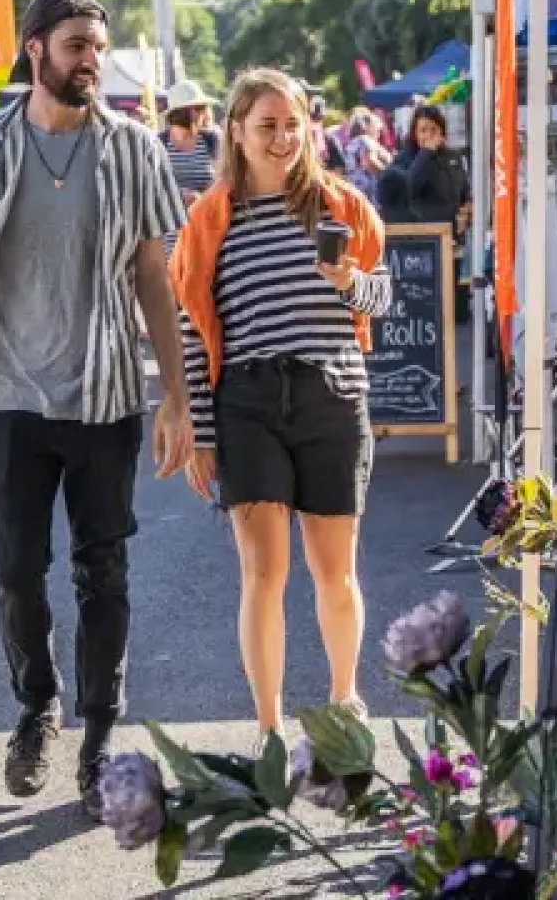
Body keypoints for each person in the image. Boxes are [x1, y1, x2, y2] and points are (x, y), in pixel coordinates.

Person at [0, 0, 194, 820]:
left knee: (102, 572)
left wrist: (176, 397)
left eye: (97, 46)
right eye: (77, 43)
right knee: (14, 569)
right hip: (9, 393)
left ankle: (97, 736)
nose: (91, 60)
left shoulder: (135, 148)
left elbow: (155, 274)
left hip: (107, 390)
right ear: (35, 48)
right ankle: (38, 703)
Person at [170, 69, 391, 738]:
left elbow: (382, 299)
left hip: (332, 394)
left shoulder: (340, 205)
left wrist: (351, 281)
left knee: (335, 570)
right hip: (248, 401)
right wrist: (200, 433)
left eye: (292, 125)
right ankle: (267, 727)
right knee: (264, 571)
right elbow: (193, 327)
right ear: (236, 130)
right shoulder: (211, 218)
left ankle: (344, 698)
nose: (282, 138)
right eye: (267, 126)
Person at [391, 105, 470, 229]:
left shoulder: (453, 156)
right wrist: (426, 152)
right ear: (415, 134)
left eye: (433, 130)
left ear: (441, 131)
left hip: (453, 233)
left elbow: (464, 191)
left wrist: (467, 208)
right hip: (423, 234)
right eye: (423, 130)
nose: (429, 135)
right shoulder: (405, 158)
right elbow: (409, 187)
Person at [161, 79, 220, 206]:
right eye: (200, 108)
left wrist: (205, 196)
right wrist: (181, 196)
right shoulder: (159, 142)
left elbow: (223, 178)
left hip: (207, 214)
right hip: (171, 219)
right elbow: (154, 184)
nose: (204, 113)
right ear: (186, 112)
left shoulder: (211, 139)